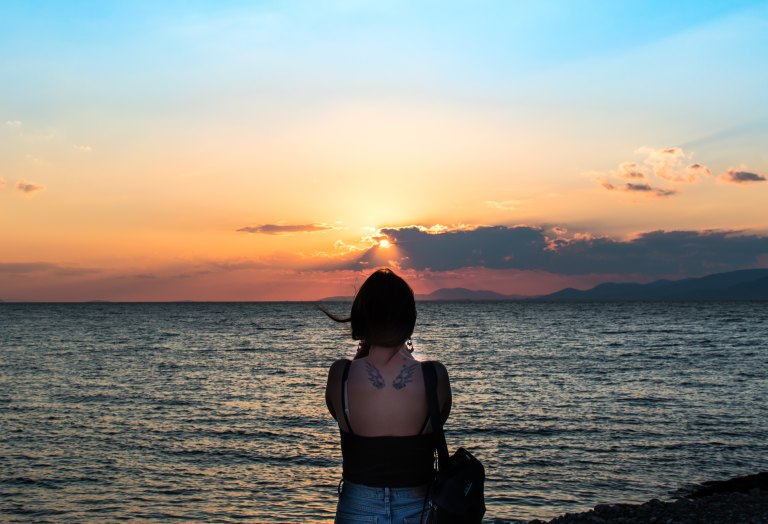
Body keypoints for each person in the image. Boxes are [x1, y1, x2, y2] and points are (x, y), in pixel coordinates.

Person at [321, 268, 452, 523]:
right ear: (408, 319)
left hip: (357, 506)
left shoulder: (341, 375)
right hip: (420, 505)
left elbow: (337, 413)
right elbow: (439, 419)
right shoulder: (435, 376)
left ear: (362, 317)